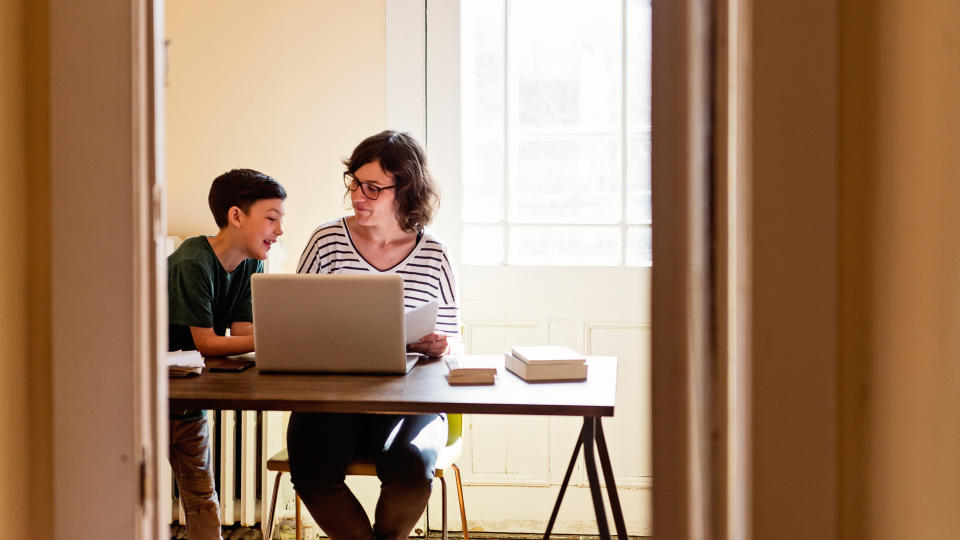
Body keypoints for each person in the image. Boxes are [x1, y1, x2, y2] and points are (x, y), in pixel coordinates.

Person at [287, 131, 461, 540]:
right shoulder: (327, 240)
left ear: (406, 188)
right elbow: (296, 322)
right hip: (331, 396)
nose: (357, 196)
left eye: (372, 187)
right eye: (353, 182)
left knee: (412, 473)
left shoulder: (434, 253)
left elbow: (455, 339)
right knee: (311, 472)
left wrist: (443, 344)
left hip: (410, 397)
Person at [168, 168, 286, 539]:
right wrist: (278, 336)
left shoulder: (252, 263)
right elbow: (207, 342)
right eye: (271, 218)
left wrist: (273, 337)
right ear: (236, 216)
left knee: (202, 496)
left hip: (188, 396)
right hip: (151, 394)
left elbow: (244, 335)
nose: (279, 231)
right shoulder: (192, 261)